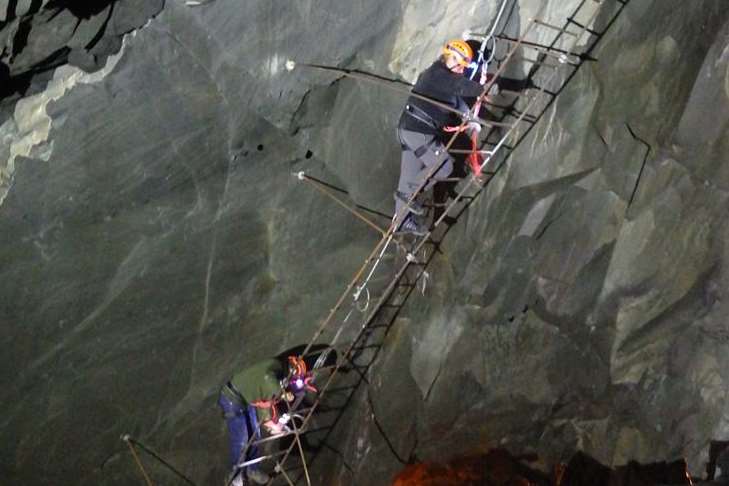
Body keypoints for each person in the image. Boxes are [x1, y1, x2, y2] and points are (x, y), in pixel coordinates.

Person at [394, 39, 489, 235]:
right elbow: (459, 86)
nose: (462, 70)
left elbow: (457, 101)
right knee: (444, 166)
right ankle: (411, 195)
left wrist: (471, 118)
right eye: (460, 65)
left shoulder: (443, 81)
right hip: (419, 132)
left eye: (464, 67)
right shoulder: (436, 74)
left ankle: (402, 221)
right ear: (450, 57)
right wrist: (483, 90)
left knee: (408, 177)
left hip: (410, 131)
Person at [218, 346, 334, 485]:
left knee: (255, 436)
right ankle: (234, 478)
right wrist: (283, 393)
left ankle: (252, 470)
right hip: (233, 398)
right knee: (242, 439)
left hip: (248, 399)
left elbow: (265, 403)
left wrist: (271, 422)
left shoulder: (276, 379)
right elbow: (268, 379)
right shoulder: (275, 367)